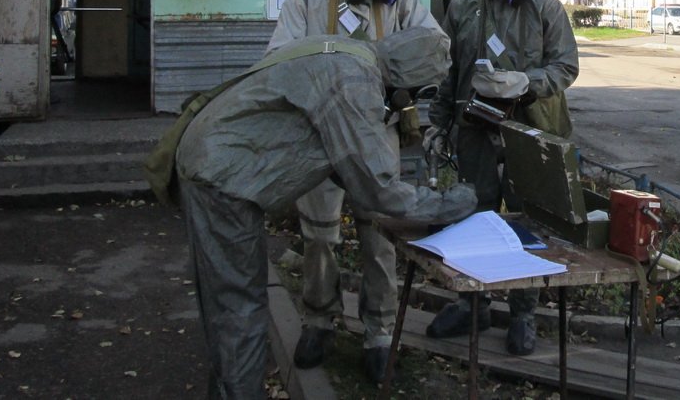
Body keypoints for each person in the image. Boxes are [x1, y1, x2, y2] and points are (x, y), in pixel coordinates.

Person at [176, 31, 476, 400]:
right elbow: (378, 188)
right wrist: (453, 202)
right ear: (406, 82)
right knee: (240, 308)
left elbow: (336, 153)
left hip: (215, 162)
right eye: (418, 93)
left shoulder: (349, 54)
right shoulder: (355, 82)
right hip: (223, 180)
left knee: (227, 305)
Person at [267, 0, 448, 382]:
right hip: (320, 137)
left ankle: (380, 332)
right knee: (319, 236)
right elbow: (276, 58)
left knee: (379, 236)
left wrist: (405, 85)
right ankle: (318, 321)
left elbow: (436, 48)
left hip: (376, 135)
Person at [423, 0, 579, 355]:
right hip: (474, 129)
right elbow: (447, 71)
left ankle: (523, 312)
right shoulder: (463, 7)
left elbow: (566, 67)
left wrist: (527, 83)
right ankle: (471, 302)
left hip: (531, 129)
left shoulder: (544, 8)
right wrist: (436, 122)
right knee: (475, 215)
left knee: (528, 220)